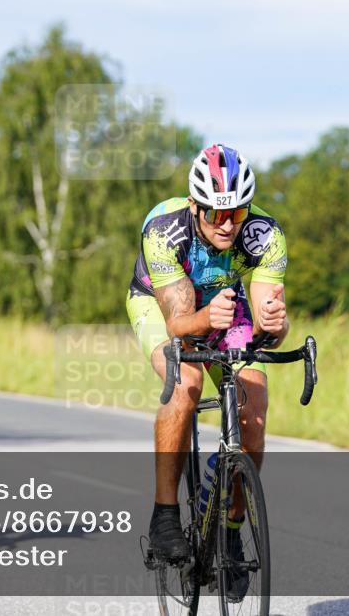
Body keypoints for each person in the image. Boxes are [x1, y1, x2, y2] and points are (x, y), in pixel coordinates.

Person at [126, 144, 289, 572]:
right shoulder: (164, 230)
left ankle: (232, 532)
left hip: (225, 305)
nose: (228, 225)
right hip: (163, 306)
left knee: (253, 409)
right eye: (217, 214)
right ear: (196, 206)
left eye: (237, 213)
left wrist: (274, 323)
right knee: (187, 385)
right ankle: (165, 515)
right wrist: (204, 318)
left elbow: (268, 324)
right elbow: (179, 324)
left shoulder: (265, 235)